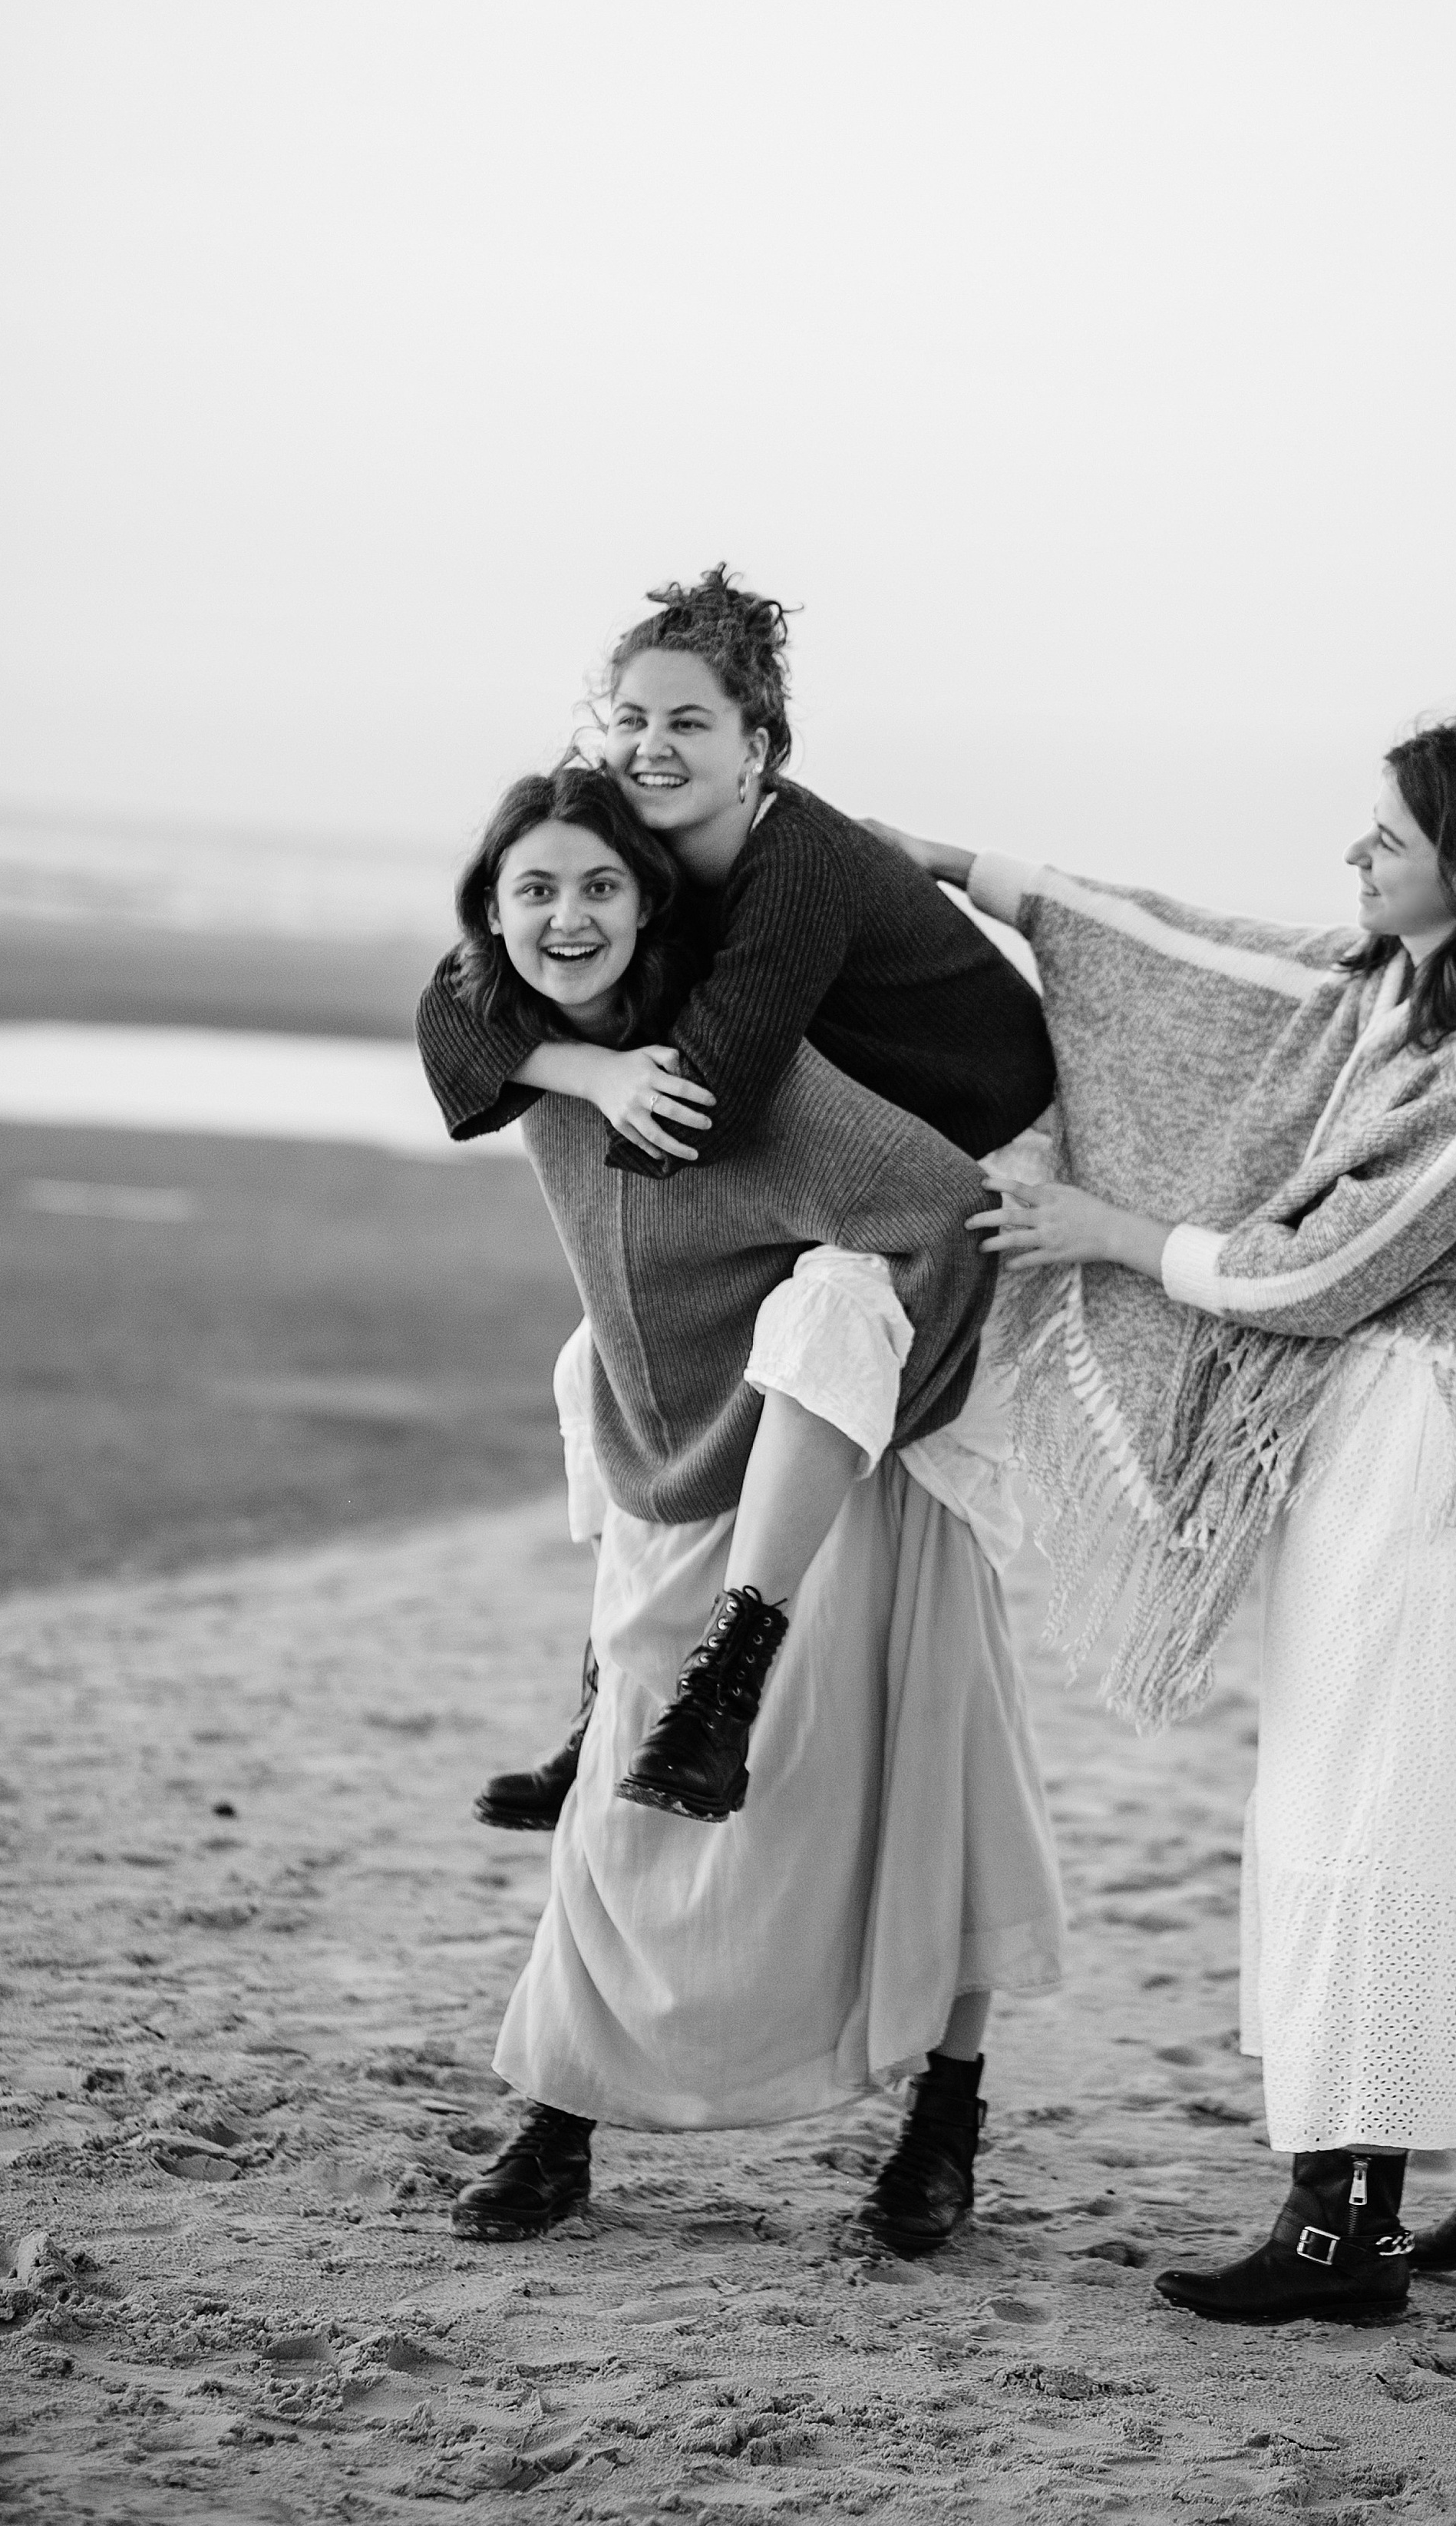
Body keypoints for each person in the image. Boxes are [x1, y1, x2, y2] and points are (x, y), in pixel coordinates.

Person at [869, 717, 1456, 2323]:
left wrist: (1107, 1229)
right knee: (1371, 1803)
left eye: (1388, 838)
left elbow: (1315, 1274)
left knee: (1367, 1821)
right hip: (1370, 1450)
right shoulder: (1382, 994)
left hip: (1446, 1470)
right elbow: (1186, 959)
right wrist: (958, 871)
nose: (1353, 855)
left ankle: (1341, 2226)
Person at [441, 760, 1064, 2257]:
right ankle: (560, 2117)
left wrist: (880, 1406)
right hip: (691, 1437)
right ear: (488, 912)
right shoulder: (515, 1043)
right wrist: (578, 1069)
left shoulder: (737, 1061)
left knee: (938, 1765)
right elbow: (457, 1019)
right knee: (631, 1794)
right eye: (533, 890)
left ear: (659, 908)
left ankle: (942, 2125)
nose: (566, 917)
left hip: (863, 1424)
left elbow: (932, 1216)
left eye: (600, 887)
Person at [419, 567, 1054, 1829]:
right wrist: (582, 1059)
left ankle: (720, 1696)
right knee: (590, 1358)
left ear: (758, 747)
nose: (652, 747)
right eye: (633, 719)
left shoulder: (794, 866)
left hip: (989, 1156)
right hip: (851, 1133)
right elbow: (456, 1003)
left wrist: (594, 1058)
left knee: (821, 1320)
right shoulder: (636, 844)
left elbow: (707, 1093)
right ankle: (612, 1702)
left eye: (691, 723)